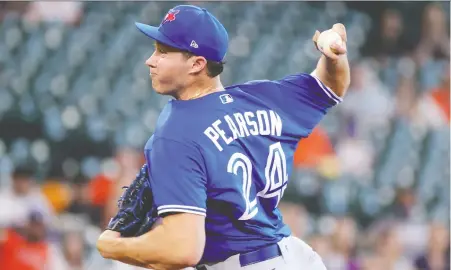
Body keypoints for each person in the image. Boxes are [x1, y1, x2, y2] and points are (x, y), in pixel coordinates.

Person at [96, 4, 350, 270]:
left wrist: (111, 245)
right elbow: (331, 85)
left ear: (197, 64)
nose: (151, 60)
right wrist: (334, 57)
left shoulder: (176, 132)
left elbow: (182, 250)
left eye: (163, 51)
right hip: (295, 258)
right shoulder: (263, 98)